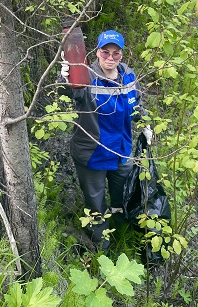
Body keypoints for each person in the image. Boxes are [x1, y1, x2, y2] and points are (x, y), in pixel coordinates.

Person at [58, 29, 153, 251]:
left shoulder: (128, 76)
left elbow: (136, 105)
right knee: (96, 205)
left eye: (116, 53)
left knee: (121, 200)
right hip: (93, 154)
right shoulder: (85, 75)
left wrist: (145, 123)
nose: (110, 57)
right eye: (105, 52)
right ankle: (101, 249)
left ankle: (121, 237)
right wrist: (65, 77)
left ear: (122, 54)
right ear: (97, 51)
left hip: (121, 152)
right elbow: (71, 92)